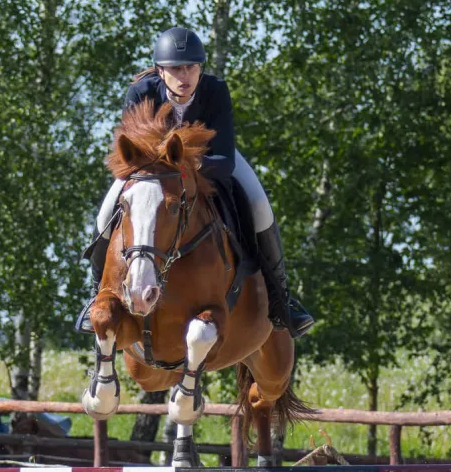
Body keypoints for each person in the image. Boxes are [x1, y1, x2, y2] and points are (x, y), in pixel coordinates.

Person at [77, 27, 314, 338]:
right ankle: (97, 293)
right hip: (151, 172)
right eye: (176, 68)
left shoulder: (215, 91)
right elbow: (130, 153)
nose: (185, 75)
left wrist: (188, 167)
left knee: (258, 203)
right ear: (161, 71)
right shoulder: (140, 93)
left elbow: (225, 161)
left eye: (192, 67)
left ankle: (281, 299)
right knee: (106, 211)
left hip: (207, 164)